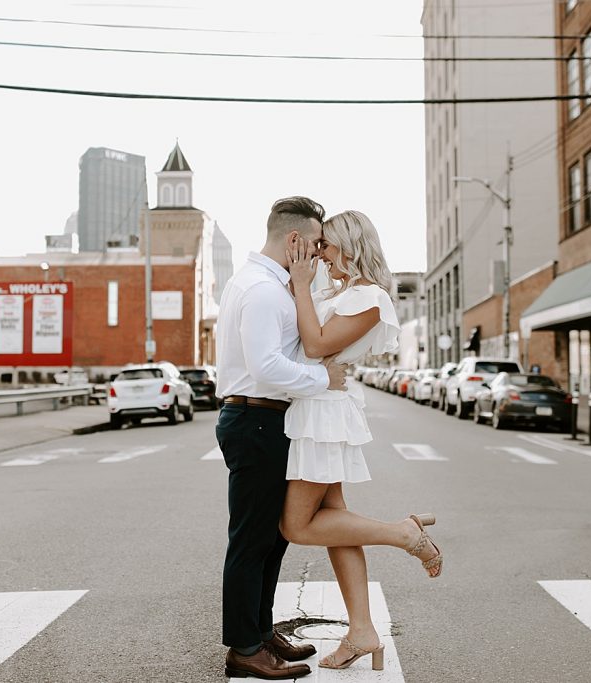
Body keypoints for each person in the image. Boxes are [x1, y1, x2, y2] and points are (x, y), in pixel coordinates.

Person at [279, 210, 443, 672]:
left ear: (349, 247)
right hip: (317, 406)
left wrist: (298, 282)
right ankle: (363, 631)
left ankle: (403, 533)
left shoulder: (370, 298)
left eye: (325, 246)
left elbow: (315, 346)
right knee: (335, 522)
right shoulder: (341, 292)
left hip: (325, 415)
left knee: (296, 525)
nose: (319, 255)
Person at [214, 196, 349, 680]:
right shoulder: (263, 291)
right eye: (315, 244)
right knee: (252, 540)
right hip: (256, 420)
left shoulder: (265, 284)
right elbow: (264, 366)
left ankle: (261, 629)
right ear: (294, 241)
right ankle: (244, 648)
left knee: (272, 538)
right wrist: (324, 381)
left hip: (265, 420)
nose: (318, 254)